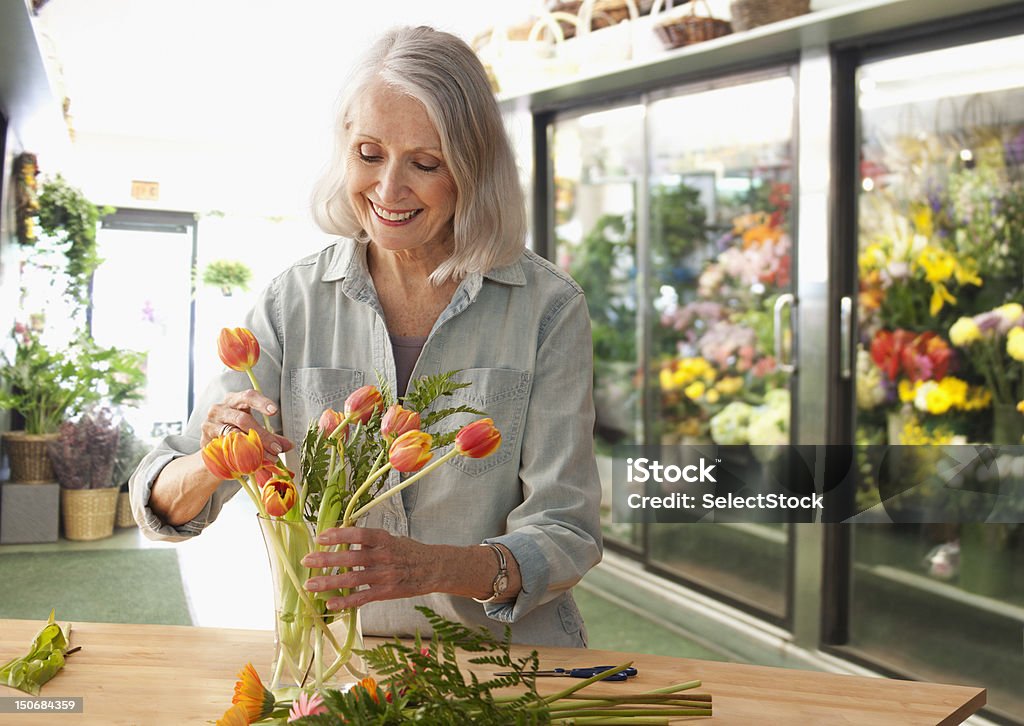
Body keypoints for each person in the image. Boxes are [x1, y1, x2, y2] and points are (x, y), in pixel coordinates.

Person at [130, 25, 602, 647]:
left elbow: (566, 532)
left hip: (504, 665)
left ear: (472, 171)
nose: (388, 190)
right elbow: (162, 506)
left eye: (425, 164)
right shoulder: (288, 303)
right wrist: (215, 458)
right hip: (338, 664)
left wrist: (428, 567)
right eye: (369, 154)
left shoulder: (549, 308)